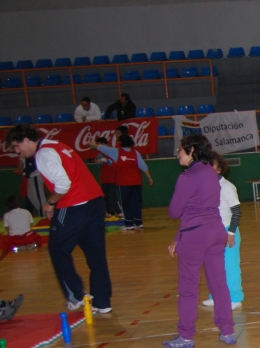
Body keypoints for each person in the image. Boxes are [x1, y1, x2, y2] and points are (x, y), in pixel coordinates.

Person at [4, 124, 113, 313]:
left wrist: (50, 203)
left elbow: (63, 185)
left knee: (57, 249)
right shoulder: (59, 145)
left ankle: (76, 297)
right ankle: (102, 302)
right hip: (95, 203)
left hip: (74, 205)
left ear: (26, 140)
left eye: (16, 146)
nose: (17, 151)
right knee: (96, 256)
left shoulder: (43, 154)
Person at [165, 134, 235, 348]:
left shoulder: (187, 177)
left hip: (195, 235)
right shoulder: (210, 173)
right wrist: (178, 236)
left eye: (180, 150)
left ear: (191, 150)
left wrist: (181, 236)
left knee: (188, 287)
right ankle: (228, 331)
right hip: (216, 232)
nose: (178, 155)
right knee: (219, 284)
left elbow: (175, 211)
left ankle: (186, 336)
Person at [201, 152, 244, 311]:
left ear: (219, 169)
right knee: (213, 266)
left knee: (230, 266)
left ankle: (235, 298)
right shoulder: (205, 186)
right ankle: (215, 296)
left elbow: (236, 212)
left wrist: (231, 233)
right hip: (210, 232)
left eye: (210, 165)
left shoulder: (227, 187)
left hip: (226, 231)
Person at [90, 134, 154, 230]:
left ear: (120, 142)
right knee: (136, 202)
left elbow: (102, 148)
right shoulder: (135, 152)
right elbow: (143, 166)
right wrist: (149, 178)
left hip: (124, 183)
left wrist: (92, 144)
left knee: (126, 203)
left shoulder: (116, 152)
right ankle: (139, 223)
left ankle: (129, 224)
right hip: (136, 182)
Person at [94, 137, 122, 218]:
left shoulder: (112, 151)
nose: (97, 146)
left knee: (112, 195)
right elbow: (98, 165)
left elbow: (117, 163)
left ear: (103, 144)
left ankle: (119, 211)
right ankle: (111, 212)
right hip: (104, 177)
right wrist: (100, 162)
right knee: (105, 196)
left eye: (98, 144)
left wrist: (107, 161)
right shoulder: (99, 154)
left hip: (112, 177)